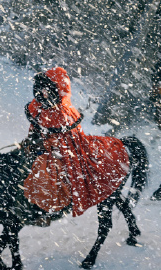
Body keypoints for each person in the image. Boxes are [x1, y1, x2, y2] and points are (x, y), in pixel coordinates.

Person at [22, 67, 130, 224]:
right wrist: (32, 140)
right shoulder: (39, 106)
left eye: (46, 90)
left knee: (52, 171)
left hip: (63, 152)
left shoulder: (64, 113)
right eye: (41, 90)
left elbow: (69, 142)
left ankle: (51, 208)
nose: (43, 94)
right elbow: (36, 125)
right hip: (43, 147)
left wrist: (50, 146)